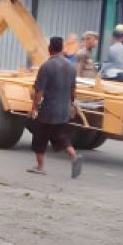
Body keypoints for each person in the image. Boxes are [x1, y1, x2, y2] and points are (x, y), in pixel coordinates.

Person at [29, 35, 81, 178]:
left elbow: (39, 91)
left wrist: (35, 107)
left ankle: (40, 167)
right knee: (61, 136)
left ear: (49, 48)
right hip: (63, 110)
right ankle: (74, 155)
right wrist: (71, 104)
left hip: (48, 110)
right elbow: (73, 90)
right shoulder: (71, 67)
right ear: (62, 48)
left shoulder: (46, 66)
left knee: (40, 138)